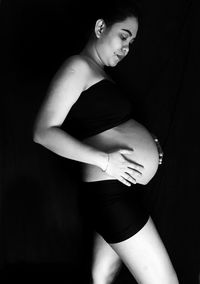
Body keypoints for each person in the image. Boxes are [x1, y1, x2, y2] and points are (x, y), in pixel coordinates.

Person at [33, 1, 179, 283]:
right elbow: (43, 131)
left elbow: (104, 126)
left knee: (102, 276)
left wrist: (147, 143)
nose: (126, 47)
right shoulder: (78, 66)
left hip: (116, 191)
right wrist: (107, 160)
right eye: (123, 35)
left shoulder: (99, 74)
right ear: (101, 27)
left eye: (132, 42)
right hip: (110, 193)